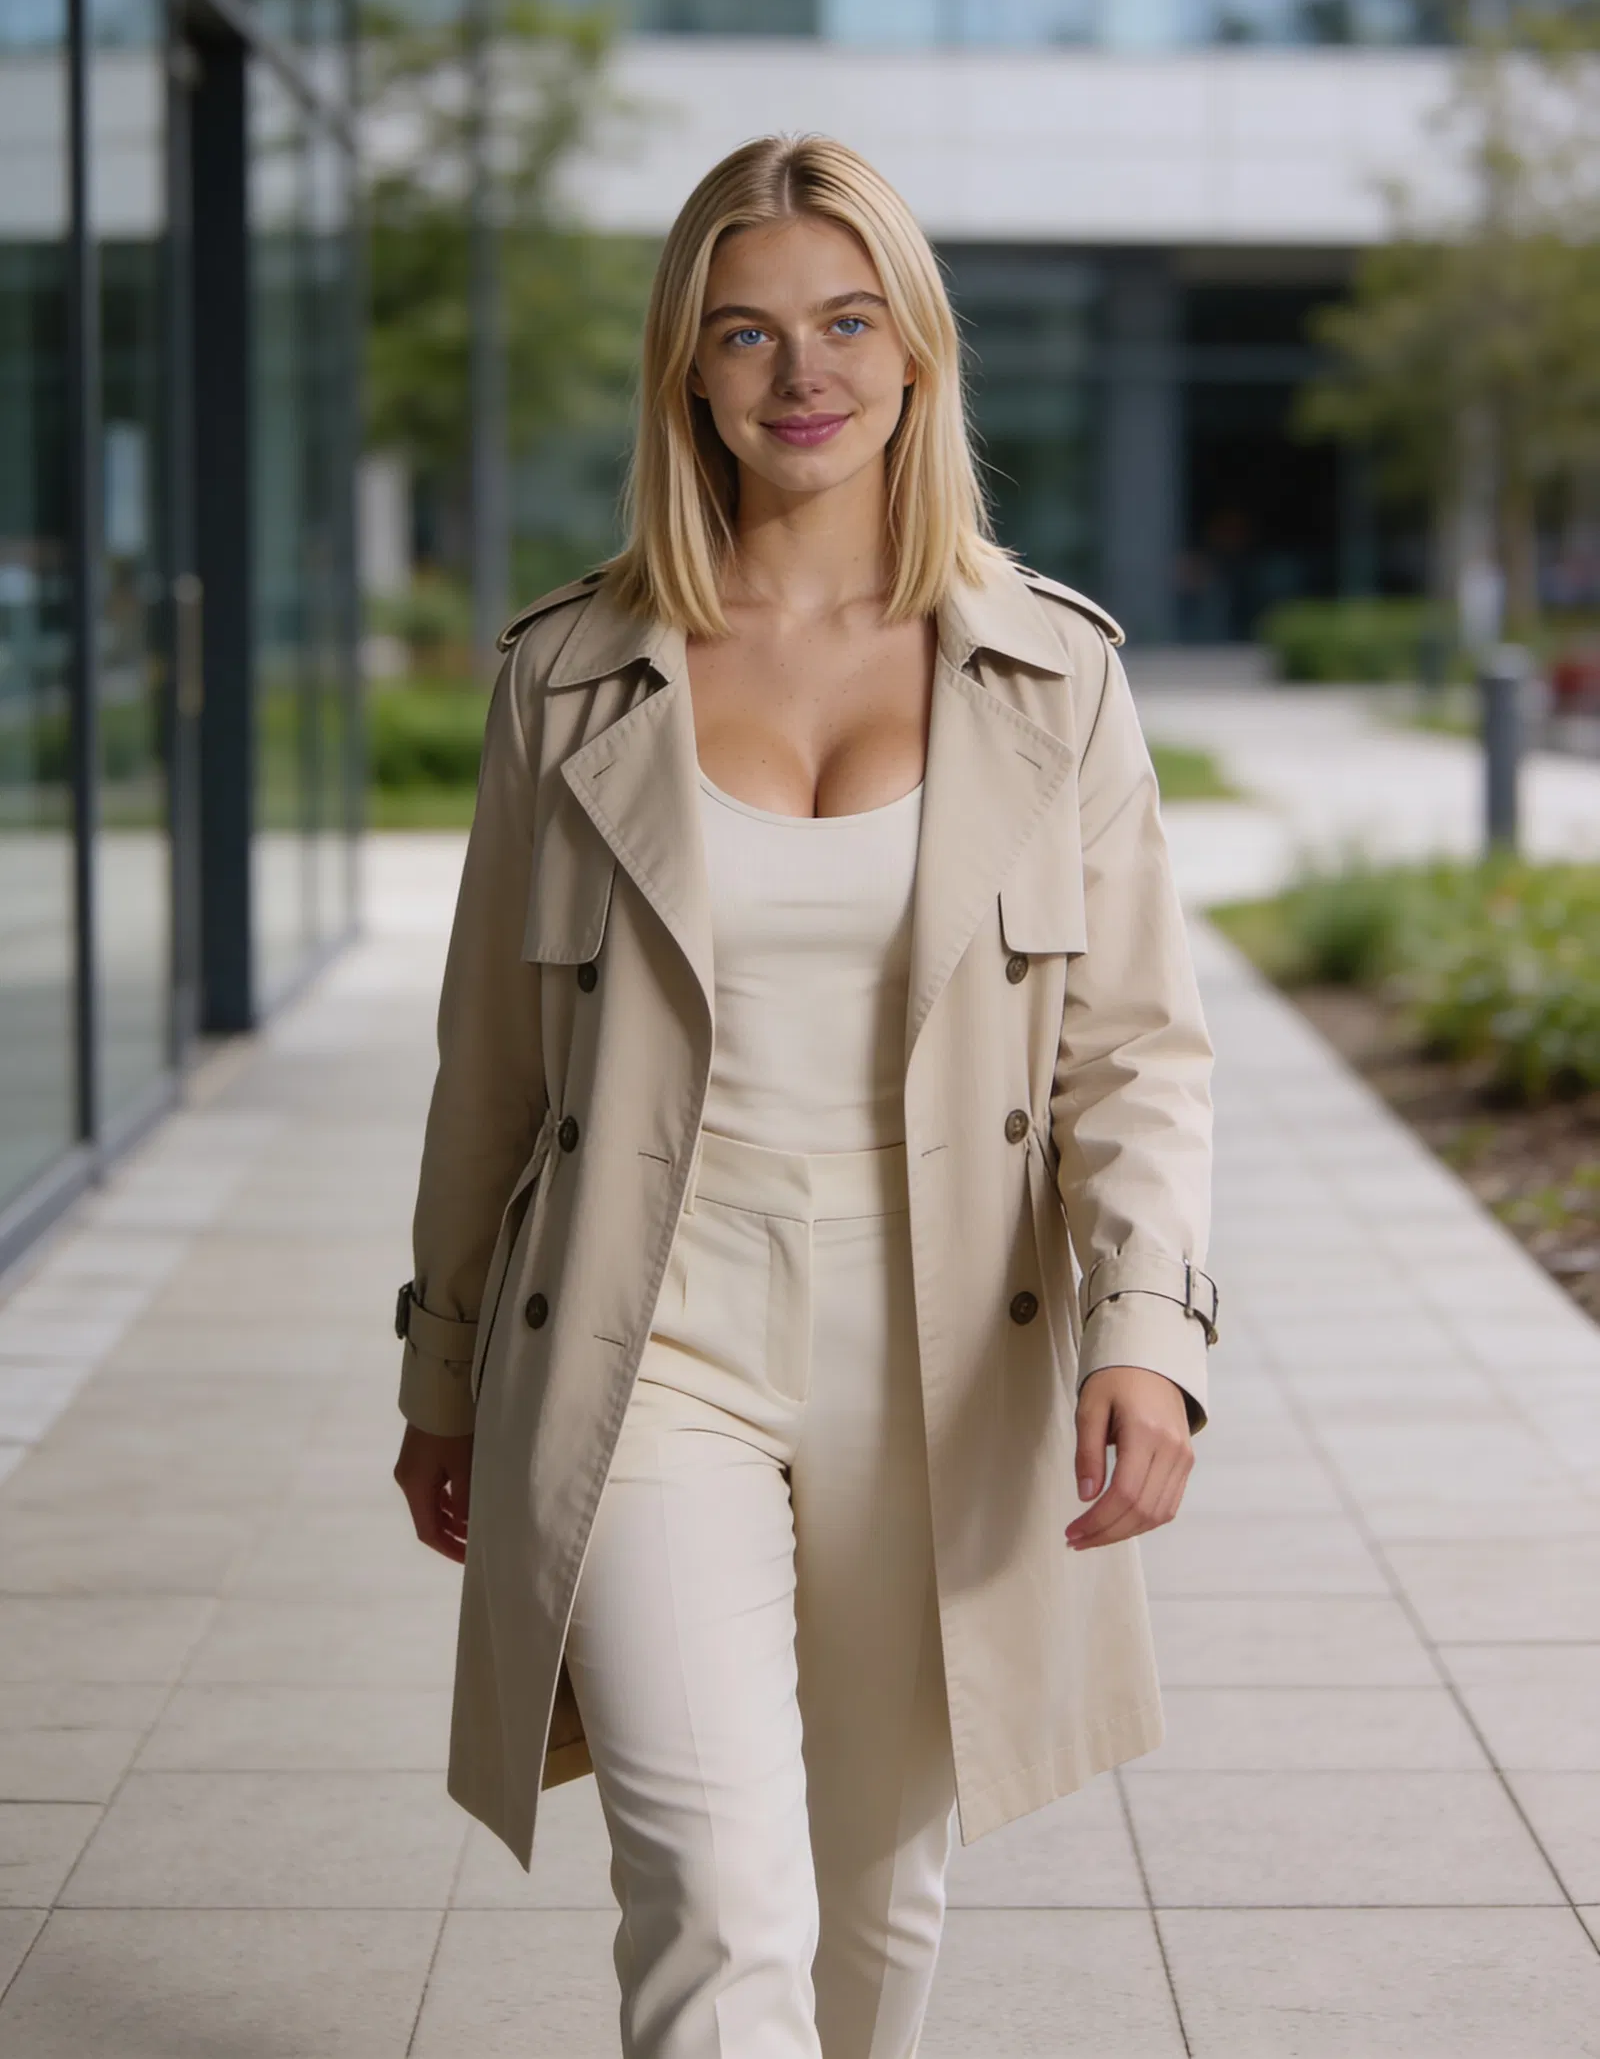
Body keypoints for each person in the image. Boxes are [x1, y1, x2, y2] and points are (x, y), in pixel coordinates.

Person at [393, 133, 1217, 2059]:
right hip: (641, 1317)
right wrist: (442, 1376)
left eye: (847, 322)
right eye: (744, 332)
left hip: (946, 1338)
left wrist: (1150, 1332)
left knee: (873, 1897)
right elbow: (489, 1071)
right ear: (687, 367)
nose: (801, 374)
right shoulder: (570, 676)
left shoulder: (1054, 678)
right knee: (713, 1889)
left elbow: (1136, 1051)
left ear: (919, 354)